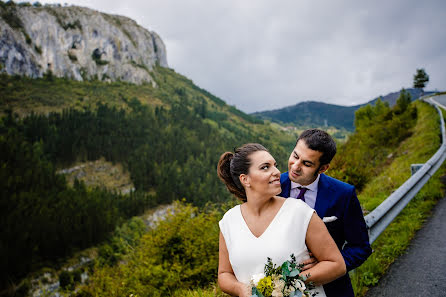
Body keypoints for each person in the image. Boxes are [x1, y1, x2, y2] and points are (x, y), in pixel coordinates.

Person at [217, 143, 346, 297]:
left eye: (275, 165)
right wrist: (240, 289)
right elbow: (224, 273)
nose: (277, 172)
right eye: (265, 167)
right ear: (245, 179)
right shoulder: (229, 221)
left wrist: (291, 282)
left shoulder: (299, 212)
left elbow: (336, 265)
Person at [279, 129, 372, 297]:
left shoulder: (343, 194)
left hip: (331, 290)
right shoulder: (272, 187)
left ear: (323, 168)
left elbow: (361, 247)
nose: (296, 166)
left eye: (307, 164)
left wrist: (327, 265)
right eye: (295, 156)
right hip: (279, 289)